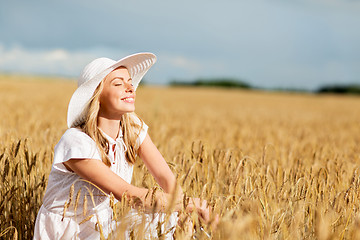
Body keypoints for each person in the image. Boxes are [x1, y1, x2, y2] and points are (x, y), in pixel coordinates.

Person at [33, 53, 213, 239]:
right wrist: (191, 204)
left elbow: (166, 179)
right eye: (118, 83)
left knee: (168, 220)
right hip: (69, 232)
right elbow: (130, 196)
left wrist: (183, 214)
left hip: (102, 225)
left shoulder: (132, 131)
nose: (130, 88)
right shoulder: (76, 142)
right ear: (97, 95)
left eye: (130, 82)